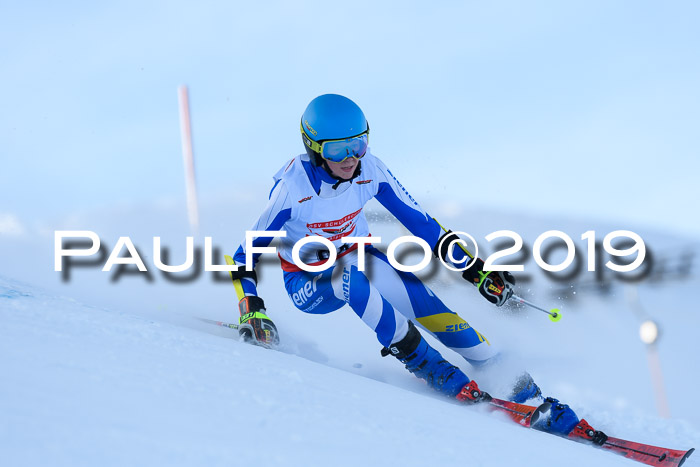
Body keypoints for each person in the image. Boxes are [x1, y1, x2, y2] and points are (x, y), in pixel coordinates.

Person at [231, 94, 579, 435]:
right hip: (310, 283)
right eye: (338, 149)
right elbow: (243, 256)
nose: (351, 158)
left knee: (418, 298)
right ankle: (426, 362)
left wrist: (476, 271)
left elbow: (423, 226)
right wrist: (252, 309)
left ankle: (517, 385)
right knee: (346, 275)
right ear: (314, 147)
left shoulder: (371, 170)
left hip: (358, 257)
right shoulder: (292, 189)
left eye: (359, 144)